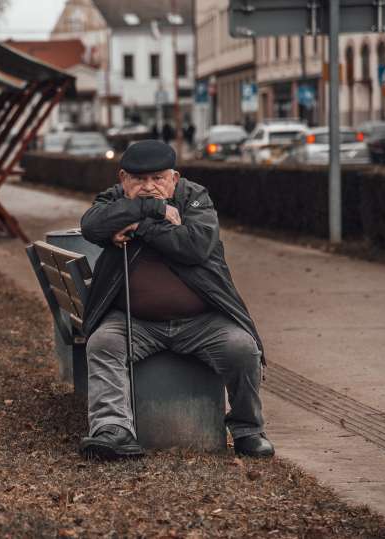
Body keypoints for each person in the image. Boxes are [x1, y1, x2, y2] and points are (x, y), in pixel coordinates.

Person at [78, 140, 274, 460]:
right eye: (139, 180)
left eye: (158, 178)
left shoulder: (195, 198)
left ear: (174, 178)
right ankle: (113, 429)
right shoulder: (113, 200)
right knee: (103, 343)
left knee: (242, 348)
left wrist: (137, 226)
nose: (149, 186)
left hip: (202, 321)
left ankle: (248, 429)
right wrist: (152, 210)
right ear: (122, 178)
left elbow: (194, 246)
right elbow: (91, 226)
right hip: (134, 321)